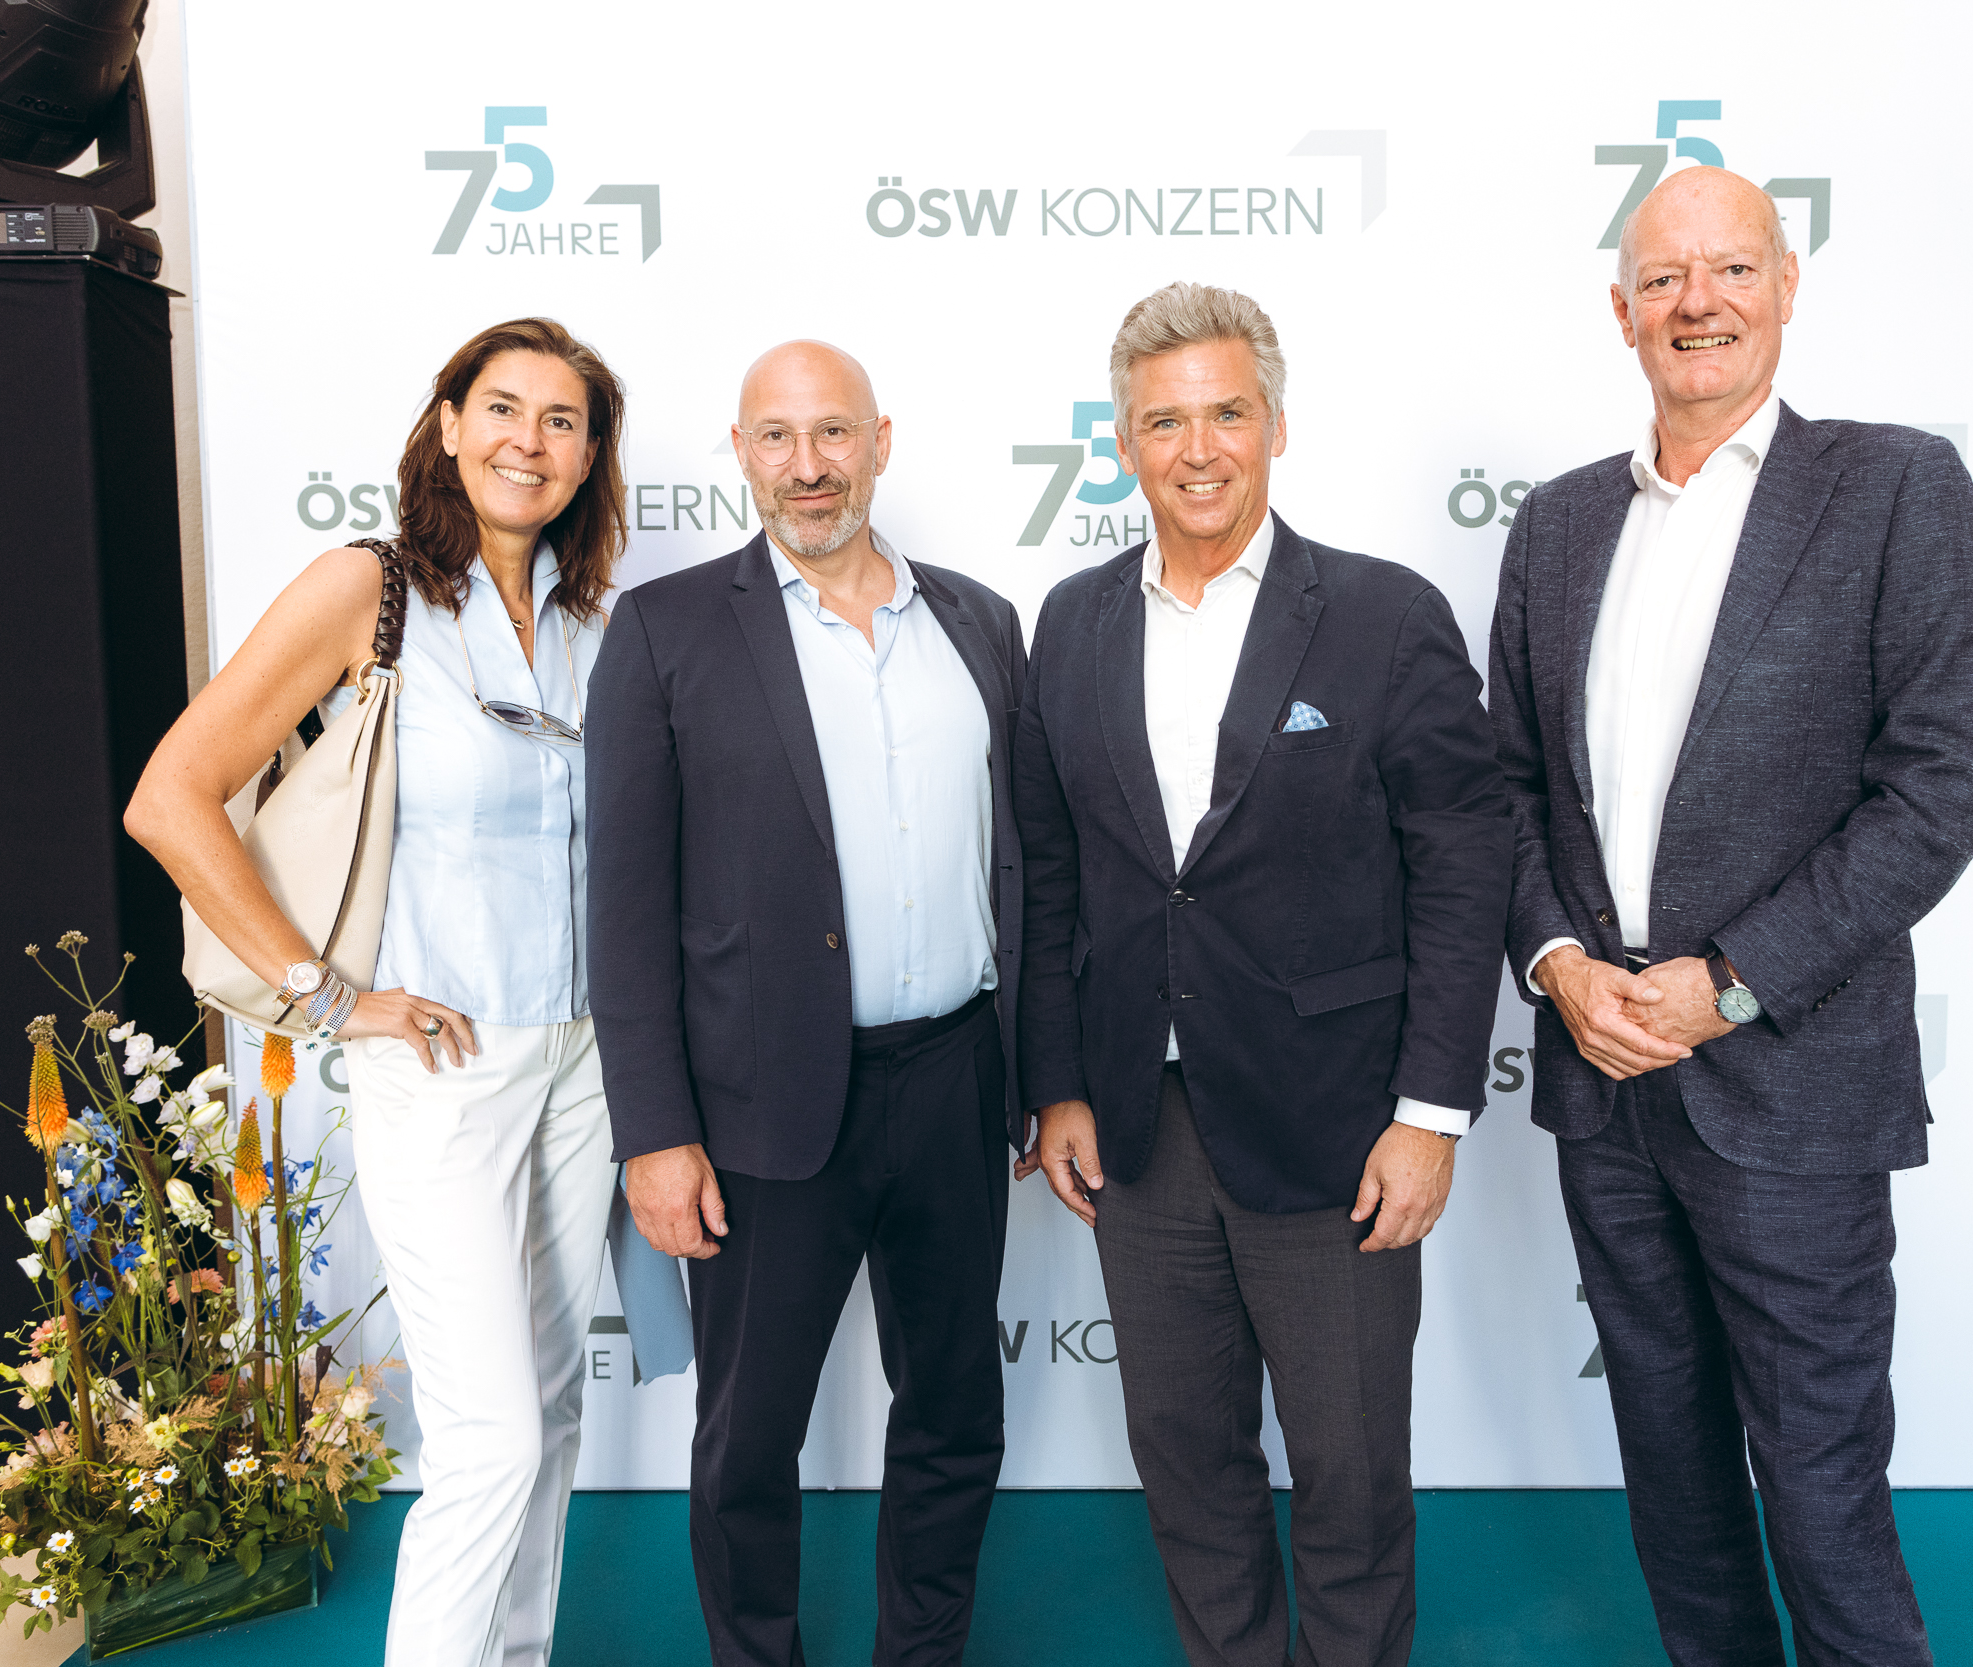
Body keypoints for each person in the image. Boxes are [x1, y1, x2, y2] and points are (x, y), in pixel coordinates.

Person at [1489, 167, 1973, 1666]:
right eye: (1663, 278)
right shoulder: (1559, 525)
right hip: (1605, 1083)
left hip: (1791, 1084)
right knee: (1674, 1481)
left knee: (1823, 1494)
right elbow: (1504, 788)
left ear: (1785, 286)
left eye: (1728, 269)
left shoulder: (1895, 487)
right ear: (1622, 313)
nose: (1696, 302)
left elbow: (1939, 787)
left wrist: (1731, 980)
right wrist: (1560, 965)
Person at [1016, 283, 1511, 1667]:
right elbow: (1051, 873)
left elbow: (1464, 866)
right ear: (1125, 440)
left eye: (1227, 413)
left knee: (1349, 1476)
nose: (1199, 449)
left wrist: (1430, 1116)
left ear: (1276, 426)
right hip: (1138, 1128)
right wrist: (1056, 1086)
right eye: (1165, 421)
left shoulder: (1382, 614)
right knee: (1187, 1464)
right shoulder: (1072, 623)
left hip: (1337, 1126)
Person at [127, 317, 630, 1667]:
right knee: (489, 1434)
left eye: (564, 420)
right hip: (443, 1064)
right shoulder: (371, 589)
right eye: (503, 408)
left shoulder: (588, 620)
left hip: (583, 1060)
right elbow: (171, 797)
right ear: (450, 426)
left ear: (591, 456)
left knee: (552, 1413)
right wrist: (326, 996)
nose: (530, 440)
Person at [587, 341, 1026, 1667]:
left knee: (955, 1409)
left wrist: (1042, 1077)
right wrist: (655, 1134)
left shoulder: (981, 623)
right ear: (740, 453)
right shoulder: (664, 632)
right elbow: (624, 911)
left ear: (881, 442)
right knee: (748, 1437)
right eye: (776, 438)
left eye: (833, 432)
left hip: (957, 1080)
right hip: (759, 1107)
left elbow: (1030, 868)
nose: (808, 465)